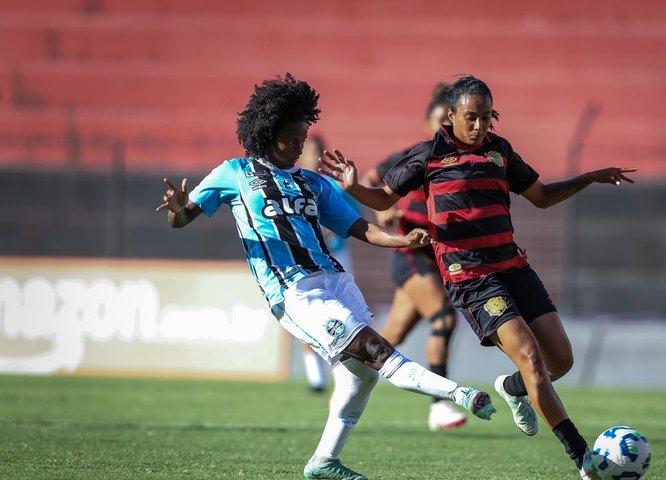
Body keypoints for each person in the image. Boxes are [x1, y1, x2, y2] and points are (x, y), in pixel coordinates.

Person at [155, 73, 496, 480]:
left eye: (304, 137)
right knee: (375, 350)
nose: (301, 146)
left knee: (362, 377)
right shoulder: (234, 173)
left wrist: (401, 239)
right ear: (269, 134)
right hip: (294, 292)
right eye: (293, 139)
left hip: (335, 281)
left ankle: (323, 463)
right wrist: (177, 207)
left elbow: (359, 228)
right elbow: (182, 219)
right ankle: (459, 395)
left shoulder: (313, 182)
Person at [321, 75, 636, 480]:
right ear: (451, 115)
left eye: (487, 117)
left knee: (563, 359)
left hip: (514, 266)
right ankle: (583, 458)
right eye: (471, 117)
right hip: (470, 277)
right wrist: (353, 187)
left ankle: (514, 389)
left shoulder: (499, 151)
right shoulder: (428, 154)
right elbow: (383, 198)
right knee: (530, 357)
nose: (480, 126)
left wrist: (587, 177)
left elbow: (541, 197)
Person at [359, 83, 467, 431]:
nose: (442, 130)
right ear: (427, 124)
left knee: (389, 338)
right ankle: (440, 405)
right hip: (410, 253)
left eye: (447, 124)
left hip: (439, 258)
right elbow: (370, 180)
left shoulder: (466, 162)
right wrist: (383, 213)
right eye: (437, 123)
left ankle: (347, 377)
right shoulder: (412, 155)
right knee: (444, 318)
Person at [297, 134, 359, 394]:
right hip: (305, 261)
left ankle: (343, 375)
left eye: (319, 150)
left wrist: (334, 229)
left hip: (337, 259)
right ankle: (316, 379)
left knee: (345, 315)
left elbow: (353, 219)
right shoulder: (291, 185)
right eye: (310, 150)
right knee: (308, 318)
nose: (315, 155)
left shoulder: (332, 186)